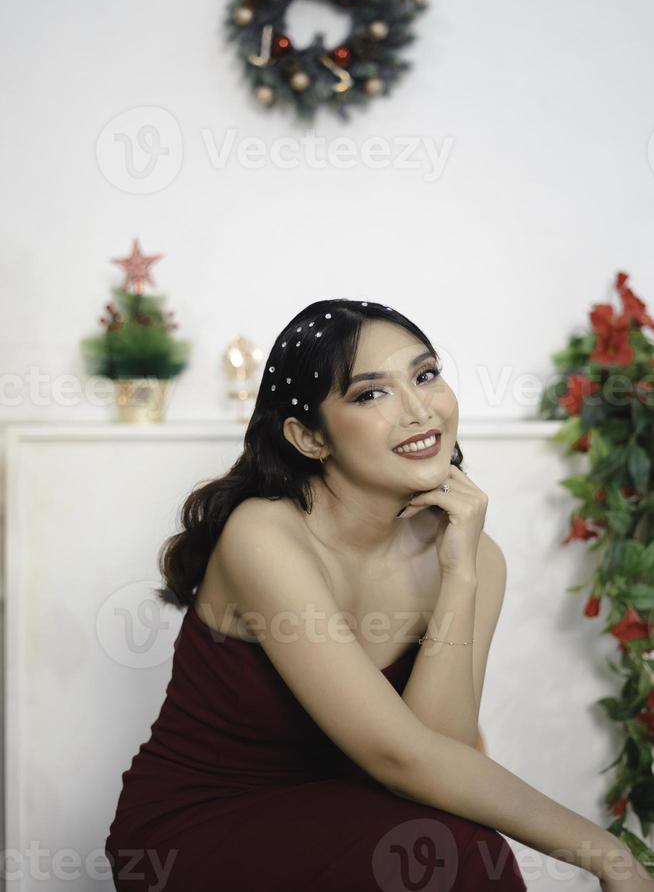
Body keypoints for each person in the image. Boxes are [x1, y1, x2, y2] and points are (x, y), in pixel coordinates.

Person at [105, 298, 653, 892]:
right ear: (309, 437)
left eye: (425, 375)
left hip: (355, 811)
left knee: (451, 841)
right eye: (371, 394)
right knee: (459, 850)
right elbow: (402, 761)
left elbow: (439, 758)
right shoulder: (263, 534)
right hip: (199, 828)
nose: (420, 409)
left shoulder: (474, 555)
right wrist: (607, 853)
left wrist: (459, 574)